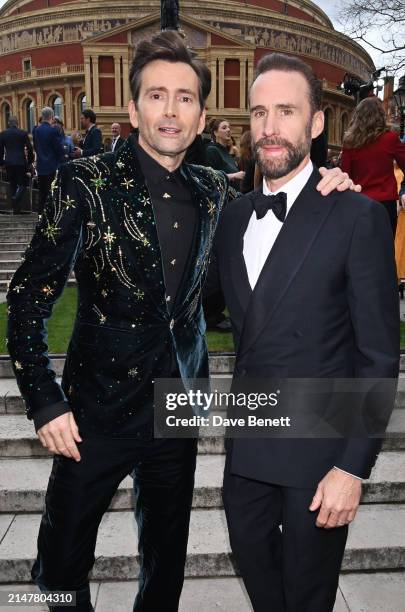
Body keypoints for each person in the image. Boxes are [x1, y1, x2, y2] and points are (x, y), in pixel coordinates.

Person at [7, 32, 358, 612]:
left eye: (186, 98)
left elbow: (280, 206)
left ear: (201, 116)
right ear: (132, 107)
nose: (170, 111)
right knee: (59, 568)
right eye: (156, 96)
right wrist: (45, 402)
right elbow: (27, 301)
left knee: (165, 564)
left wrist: (330, 184)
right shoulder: (84, 183)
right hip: (94, 411)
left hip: (177, 407)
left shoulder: (215, 191)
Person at [206, 52, 399, 612]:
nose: (270, 128)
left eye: (287, 111)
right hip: (248, 447)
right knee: (263, 583)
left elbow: (379, 355)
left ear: (316, 124)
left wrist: (352, 468)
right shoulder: (235, 216)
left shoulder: (357, 218)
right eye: (260, 112)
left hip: (320, 452)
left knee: (308, 596)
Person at [341, 96, 405, 236]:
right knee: (385, 250)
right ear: (380, 116)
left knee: (360, 250)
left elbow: (345, 176)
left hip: (358, 203)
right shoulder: (390, 139)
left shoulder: (349, 143)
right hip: (385, 204)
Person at [33, 107, 65, 214]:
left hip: (41, 167)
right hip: (52, 166)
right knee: (53, 193)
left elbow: (36, 147)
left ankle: (40, 217)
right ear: (52, 117)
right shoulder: (53, 130)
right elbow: (58, 149)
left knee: (42, 194)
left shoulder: (36, 130)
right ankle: (51, 216)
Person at [0, 116, 34, 214]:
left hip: (9, 162)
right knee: (23, 184)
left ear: (8, 123)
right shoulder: (23, 133)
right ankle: (16, 199)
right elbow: (30, 148)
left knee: (12, 185)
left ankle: (16, 208)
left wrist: (1, 163)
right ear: (17, 123)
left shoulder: (3, 134)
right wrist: (30, 161)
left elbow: (0, 150)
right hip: (20, 162)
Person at [206, 118, 245, 185]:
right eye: (224, 128)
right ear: (215, 133)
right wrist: (234, 176)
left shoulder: (226, 152)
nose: (228, 130)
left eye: (229, 127)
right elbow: (209, 177)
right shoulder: (212, 150)